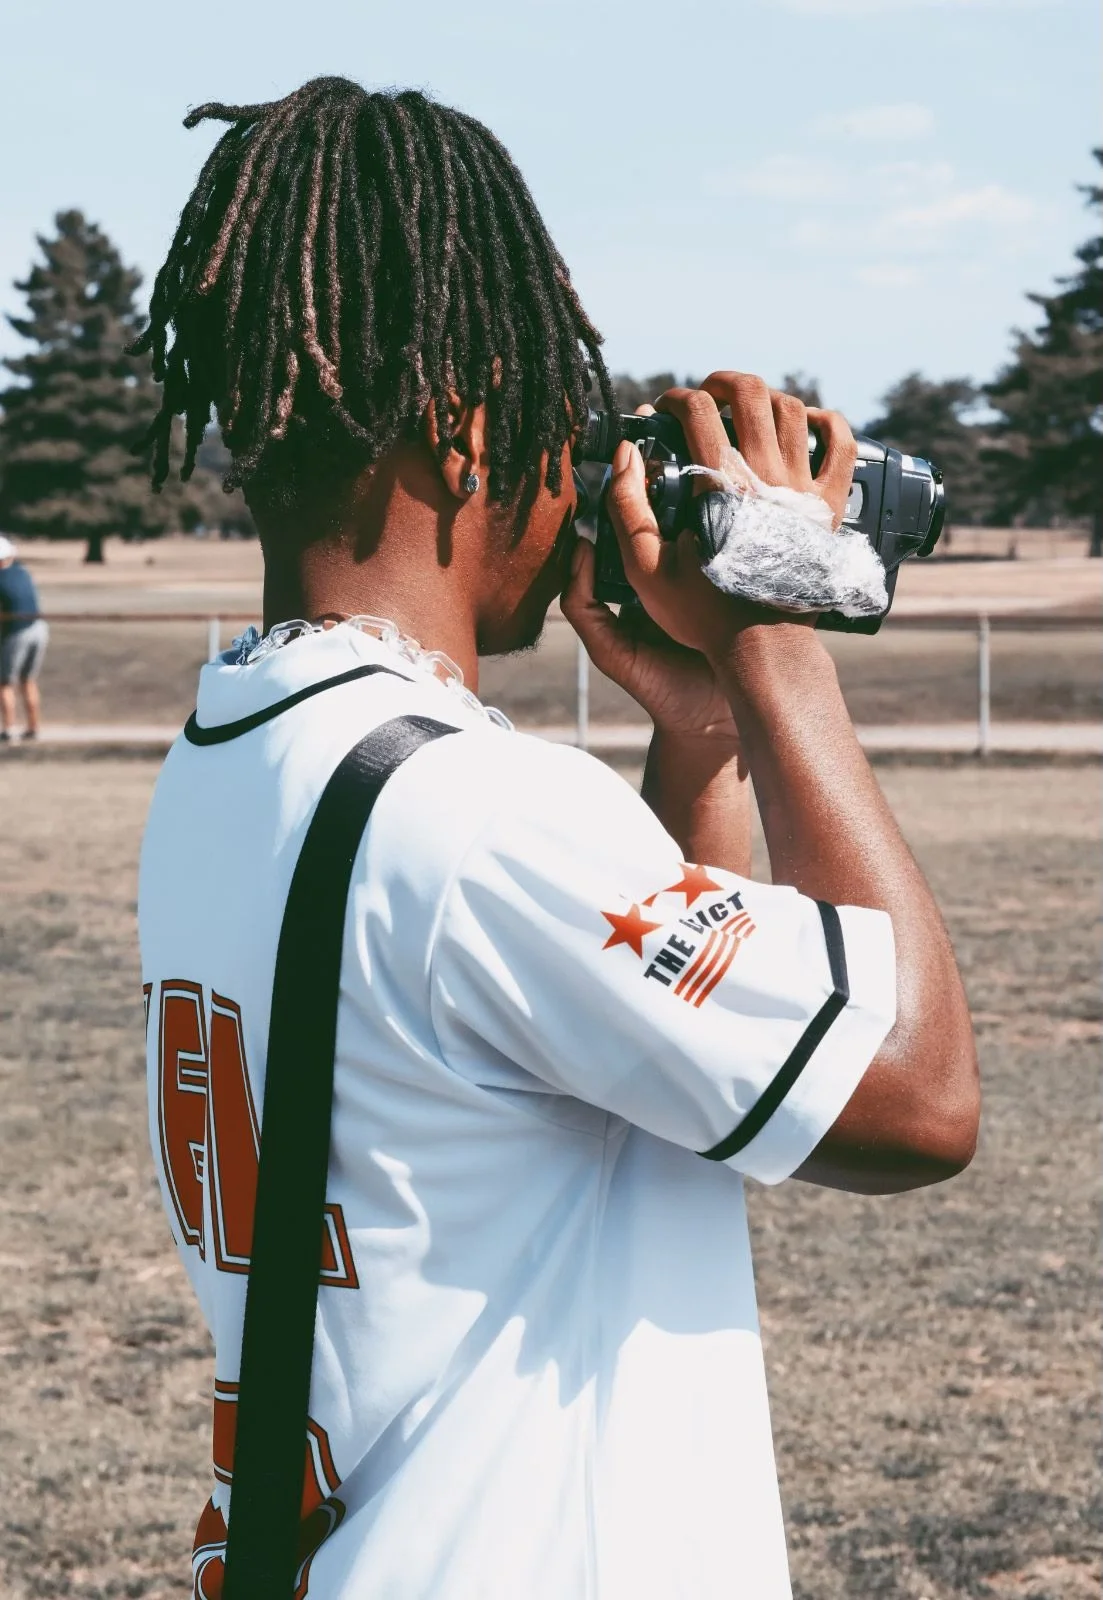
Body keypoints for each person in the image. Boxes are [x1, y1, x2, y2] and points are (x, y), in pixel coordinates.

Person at [136, 78, 979, 1599]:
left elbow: (616, 1066)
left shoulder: (235, 760)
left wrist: (700, 733)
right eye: (556, 420)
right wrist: (775, 632)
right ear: (465, 432)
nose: (578, 475)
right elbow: (914, 1097)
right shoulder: (475, 812)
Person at [0, 535, 48, 743]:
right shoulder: (22, 571)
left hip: (16, 632)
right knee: (28, 680)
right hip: (38, 627)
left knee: (4, 683)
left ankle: (8, 729)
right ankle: (33, 728)